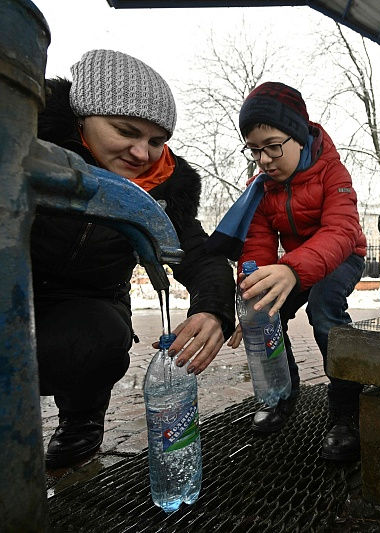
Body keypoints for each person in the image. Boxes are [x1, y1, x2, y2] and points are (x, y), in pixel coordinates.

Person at [33, 49, 235, 469]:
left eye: (156, 141)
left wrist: (213, 309)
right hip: (14, 287)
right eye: (125, 131)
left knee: (99, 342)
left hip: (91, 299)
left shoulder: (167, 189)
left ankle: (82, 414)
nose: (142, 153)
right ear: (82, 118)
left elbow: (199, 255)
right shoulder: (30, 144)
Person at [207, 82, 367, 462]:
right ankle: (282, 391)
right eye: (255, 150)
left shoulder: (332, 170)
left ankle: (346, 409)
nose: (264, 159)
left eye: (273, 146)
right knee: (264, 310)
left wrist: (292, 270)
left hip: (343, 256)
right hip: (294, 264)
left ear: (297, 136)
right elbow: (259, 246)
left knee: (324, 306)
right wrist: (250, 300)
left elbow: (342, 231)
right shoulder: (261, 189)